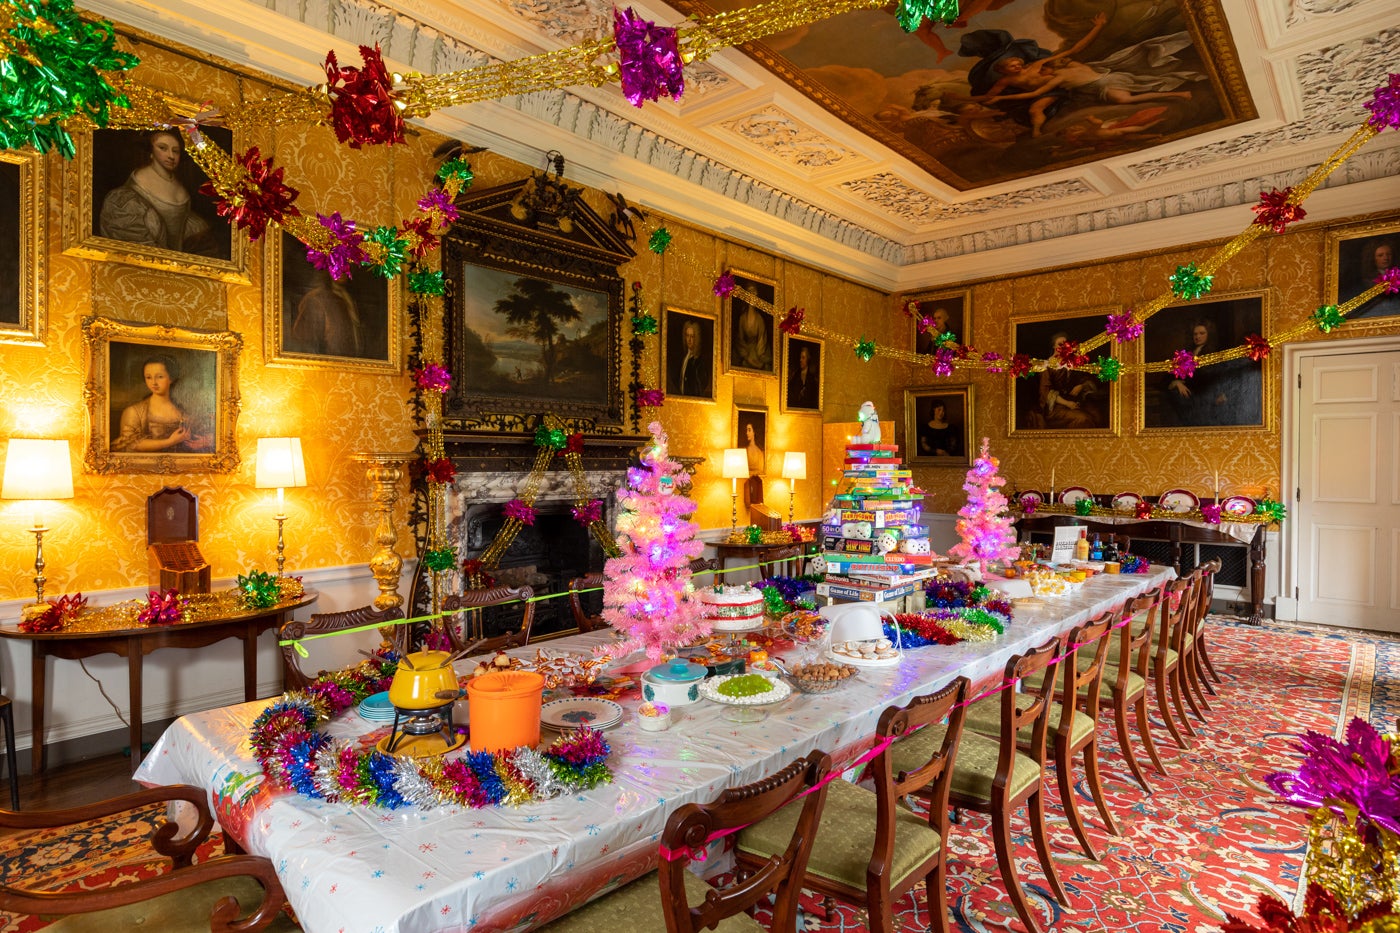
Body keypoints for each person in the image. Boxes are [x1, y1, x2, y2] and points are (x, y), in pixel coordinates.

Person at [98, 129, 215, 255]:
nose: (171, 156)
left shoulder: (181, 187)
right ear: (151, 151)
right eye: (162, 148)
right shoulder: (129, 195)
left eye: (175, 151)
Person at [112, 355, 212, 453]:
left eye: (160, 377)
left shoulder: (183, 412)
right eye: (148, 377)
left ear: (171, 378)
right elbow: (131, 445)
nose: (154, 382)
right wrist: (170, 442)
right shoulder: (134, 412)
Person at [1032, 332, 1104, 429]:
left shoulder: (1072, 363)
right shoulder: (1046, 366)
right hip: (1056, 406)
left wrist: (1081, 386)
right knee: (1083, 419)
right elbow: (1046, 392)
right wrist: (1067, 403)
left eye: (1065, 345)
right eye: (1059, 344)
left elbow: (1084, 378)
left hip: (1075, 401)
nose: (1063, 347)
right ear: (1053, 346)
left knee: (1097, 416)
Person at [1161, 320, 1225, 426]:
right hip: (1189, 394)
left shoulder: (1213, 353)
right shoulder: (1186, 353)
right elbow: (1169, 374)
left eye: (1202, 333)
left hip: (1206, 394)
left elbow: (1217, 375)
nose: (1198, 337)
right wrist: (1177, 382)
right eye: (1195, 334)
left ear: (1209, 334)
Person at [289, 268, 363, 358]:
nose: (342, 272)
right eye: (338, 267)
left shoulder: (350, 298)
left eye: (346, 268)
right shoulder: (316, 298)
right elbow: (303, 340)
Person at [1351, 238, 1400, 319]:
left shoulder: (1398, 275)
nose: (1386, 258)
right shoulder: (1366, 281)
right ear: (1373, 258)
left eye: (1389, 254)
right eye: (1380, 255)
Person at [671, 319, 711, 397]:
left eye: (692, 336)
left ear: (697, 338)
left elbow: (700, 386)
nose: (689, 340)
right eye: (687, 335)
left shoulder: (699, 362)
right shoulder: (685, 357)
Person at [734, 301, 772, 371]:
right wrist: (745, 353)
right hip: (745, 349)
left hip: (758, 350)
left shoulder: (759, 319)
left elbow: (762, 339)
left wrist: (759, 354)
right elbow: (740, 338)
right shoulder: (742, 318)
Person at [787, 343, 819, 408]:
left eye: (803, 357)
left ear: (808, 359)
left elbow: (813, 398)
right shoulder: (795, 376)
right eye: (800, 357)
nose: (800, 360)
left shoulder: (812, 378)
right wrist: (798, 394)